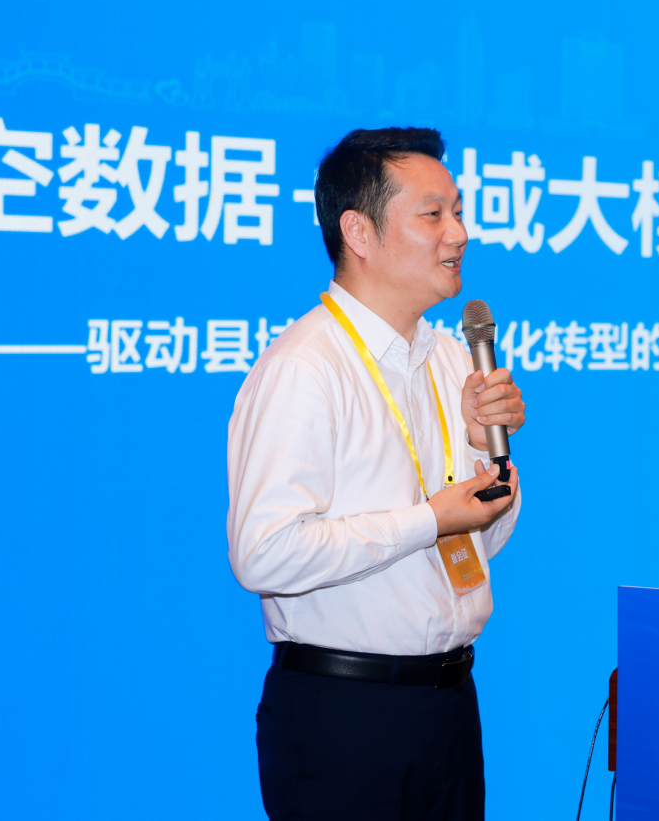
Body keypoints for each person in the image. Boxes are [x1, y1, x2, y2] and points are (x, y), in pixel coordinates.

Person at [226, 126, 524, 821]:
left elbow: (486, 538)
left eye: (458, 211)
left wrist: (486, 456)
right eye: (433, 214)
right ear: (358, 231)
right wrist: (428, 520)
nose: (459, 233)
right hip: (344, 718)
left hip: (449, 706)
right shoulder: (305, 368)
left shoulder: (449, 356)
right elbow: (263, 552)